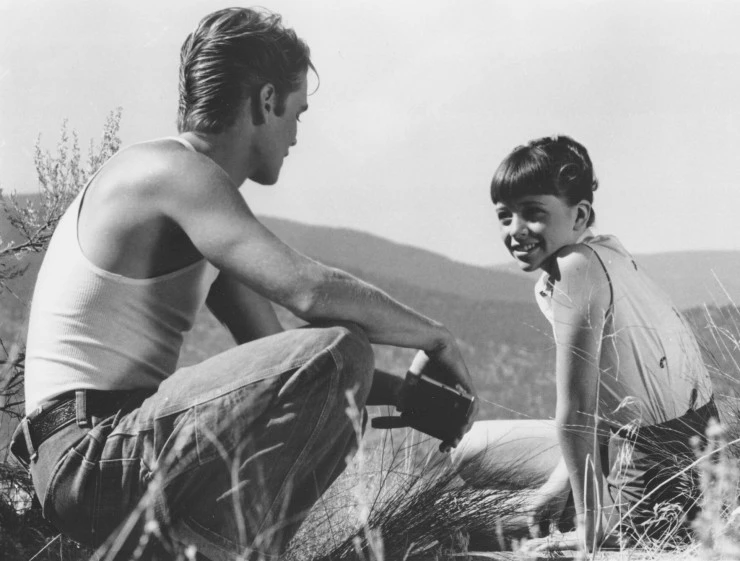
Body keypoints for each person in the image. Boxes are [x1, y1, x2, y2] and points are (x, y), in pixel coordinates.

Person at [10, 7, 477, 560]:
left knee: (338, 380)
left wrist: (406, 396)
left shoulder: (196, 206)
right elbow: (309, 292)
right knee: (342, 350)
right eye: (297, 113)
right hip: (90, 453)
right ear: (266, 101)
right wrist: (436, 338)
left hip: (96, 456)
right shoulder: (175, 172)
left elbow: (278, 359)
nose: (296, 136)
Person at [452, 135, 715, 553]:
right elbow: (614, 403)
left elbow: (577, 409)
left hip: (649, 472)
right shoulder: (606, 252)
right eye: (505, 216)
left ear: (579, 216)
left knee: (460, 520)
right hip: (693, 450)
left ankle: (587, 518)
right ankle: (571, 502)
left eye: (533, 213)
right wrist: (559, 484)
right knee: (471, 450)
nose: (515, 230)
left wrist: (590, 523)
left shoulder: (574, 268)